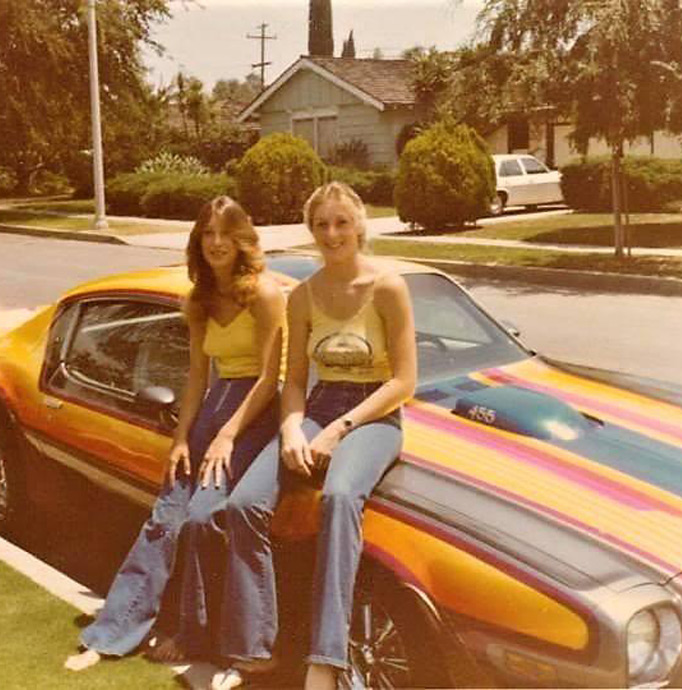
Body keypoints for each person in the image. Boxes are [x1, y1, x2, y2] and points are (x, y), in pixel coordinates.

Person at [64, 196, 286, 671]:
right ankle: (111, 632)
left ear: (244, 238)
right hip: (215, 405)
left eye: (227, 232)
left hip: (257, 412)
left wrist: (227, 435)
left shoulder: (265, 295)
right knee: (167, 515)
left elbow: (269, 378)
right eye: (208, 233)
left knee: (204, 516)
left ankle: (194, 633)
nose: (217, 243)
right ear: (197, 241)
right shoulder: (199, 301)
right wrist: (183, 438)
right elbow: (197, 378)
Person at [212, 182, 417, 690]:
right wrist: (288, 430)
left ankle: (325, 660)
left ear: (360, 225)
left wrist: (339, 431)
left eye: (341, 222)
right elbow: (296, 381)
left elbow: (405, 381)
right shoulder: (301, 297)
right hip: (317, 407)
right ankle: (255, 651)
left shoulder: (388, 287)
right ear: (311, 229)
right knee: (243, 504)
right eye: (322, 224)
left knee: (341, 496)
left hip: (374, 415)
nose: (332, 233)